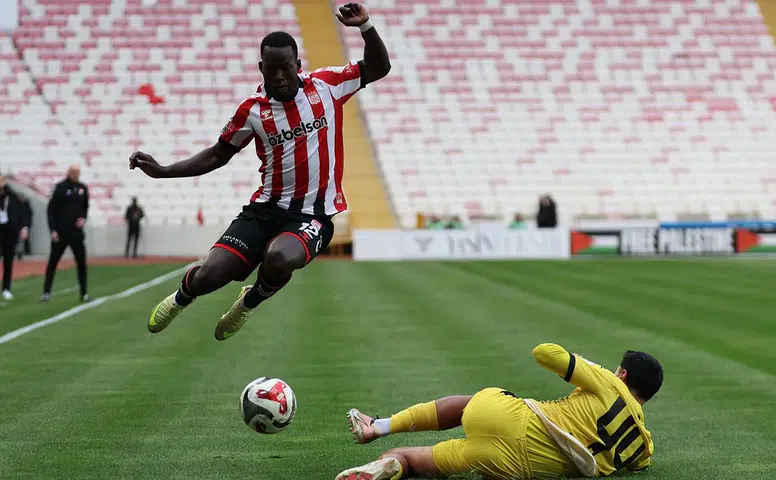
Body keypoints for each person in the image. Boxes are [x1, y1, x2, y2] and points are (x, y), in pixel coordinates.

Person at [129, 3, 390, 341]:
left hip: (313, 215)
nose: (279, 76)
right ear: (260, 68)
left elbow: (379, 66)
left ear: (298, 65)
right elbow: (217, 155)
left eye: (286, 68)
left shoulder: (327, 86)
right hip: (264, 210)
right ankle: (180, 299)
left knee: (281, 256)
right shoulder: (252, 111)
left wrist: (365, 26)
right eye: (271, 69)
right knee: (213, 273)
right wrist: (163, 171)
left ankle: (248, 303)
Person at [338, 343, 663, 480]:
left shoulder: (609, 382)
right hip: (513, 466)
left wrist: (588, 365)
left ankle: (378, 427)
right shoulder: (642, 448)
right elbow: (641, 463)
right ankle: (394, 464)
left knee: (471, 404)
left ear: (622, 375)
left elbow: (544, 352)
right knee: (411, 460)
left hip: (517, 419)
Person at [42, 164, 90, 303]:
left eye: (78, 172)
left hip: (76, 233)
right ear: (68, 172)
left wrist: (83, 218)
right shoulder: (60, 188)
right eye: (74, 172)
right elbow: (51, 211)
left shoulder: (83, 188)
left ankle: (84, 293)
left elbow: (85, 207)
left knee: (81, 263)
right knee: (53, 262)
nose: (76, 174)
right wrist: (53, 230)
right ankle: (46, 292)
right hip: (61, 232)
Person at [0, 174, 30, 300]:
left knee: (8, 261)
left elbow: (23, 212)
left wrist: (24, 227)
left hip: (9, 232)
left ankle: (6, 288)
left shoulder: (13, 196)